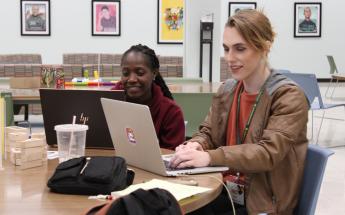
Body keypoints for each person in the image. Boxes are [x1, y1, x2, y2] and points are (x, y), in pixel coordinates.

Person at [169, 9, 309, 214]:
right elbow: (208, 131)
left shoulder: (288, 96)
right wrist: (196, 145)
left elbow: (267, 153)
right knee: (167, 206)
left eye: (240, 49)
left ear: (265, 47)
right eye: (226, 49)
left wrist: (209, 157)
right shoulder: (227, 89)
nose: (229, 58)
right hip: (224, 191)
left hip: (261, 205)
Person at [111, 44, 185, 150]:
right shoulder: (108, 103)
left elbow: (171, 156)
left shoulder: (171, 112)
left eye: (140, 73)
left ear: (154, 73)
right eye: (126, 73)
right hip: (111, 163)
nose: (131, 79)